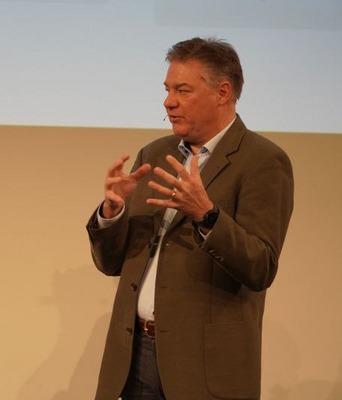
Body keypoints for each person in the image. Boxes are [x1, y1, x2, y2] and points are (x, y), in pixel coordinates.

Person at [86, 38, 294, 400]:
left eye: (183, 90)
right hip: (134, 357)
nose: (169, 101)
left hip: (203, 369)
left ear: (223, 92)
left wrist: (207, 216)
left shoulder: (263, 161)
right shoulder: (155, 154)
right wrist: (112, 212)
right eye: (167, 89)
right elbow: (111, 263)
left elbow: (261, 266)